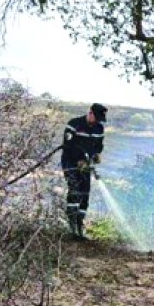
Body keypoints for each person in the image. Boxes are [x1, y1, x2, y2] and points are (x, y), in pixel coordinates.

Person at [61, 103, 107, 240]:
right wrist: (78, 161)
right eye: (96, 118)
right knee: (75, 190)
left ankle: (80, 225)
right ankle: (72, 227)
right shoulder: (74, 124)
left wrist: (97, 154)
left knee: (85, 192)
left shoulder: (99, 128)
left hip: (87, 165)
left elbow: (98, 146)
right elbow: (68, 146)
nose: (97, 121)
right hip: (70, 163)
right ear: (90, 113)